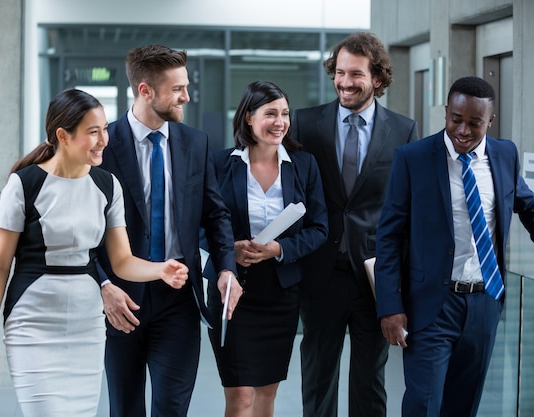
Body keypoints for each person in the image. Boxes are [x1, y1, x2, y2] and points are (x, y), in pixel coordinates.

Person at [0, 88, 189, 417]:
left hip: (86, 326)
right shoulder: (23, 185)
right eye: (93, 132)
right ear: (63, 135)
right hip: (32, 323)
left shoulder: (108, 186)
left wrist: (159, 270)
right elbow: (0, 266)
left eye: (104, 129)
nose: (104, 139)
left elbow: (122, 261)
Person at [96, 44, 242, 417]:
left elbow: (216, 214)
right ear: (145, 90)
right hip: (121, 300)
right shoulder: (104, 147)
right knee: (125, 409)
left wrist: (226, 268)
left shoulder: (195, 142)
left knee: (172, 408)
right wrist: (103, 286)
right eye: (177, 89)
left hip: (179, 297)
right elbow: (87, 231)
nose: (186, 97)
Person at [375, 76, 534, 416]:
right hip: (432, 304)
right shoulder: (413, 158)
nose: (462, 130)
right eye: (455, 119)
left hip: (485, 302)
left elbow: (525, 203)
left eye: (474, 123)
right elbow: (388, 235)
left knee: (464, 404)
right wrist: (389, 305)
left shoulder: (504, 154)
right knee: (423, 403)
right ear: (447, 112)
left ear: (490, 121)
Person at [290, 31, 419, 417]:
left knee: (369, 383)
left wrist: (401, 281)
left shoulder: (403, 130)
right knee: (318, 378)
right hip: (320, 273)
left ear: (377, 78)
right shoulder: (305, 124)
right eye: (339, 73)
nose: (345, 82)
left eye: (356, 75)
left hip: (373, 278)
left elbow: (406, 210)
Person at [205, 80, 328, 417]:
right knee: (240, 396)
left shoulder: (303, 165)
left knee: (265, 394)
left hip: (280, 293)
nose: (280, 122)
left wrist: (279, 249)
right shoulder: (218, 164)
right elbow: (199, 226)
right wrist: (230, 248)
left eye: (285, 114)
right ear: (248, 117)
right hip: (231, 291)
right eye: (270, 113)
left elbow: (320, 229)